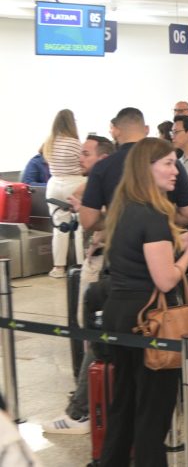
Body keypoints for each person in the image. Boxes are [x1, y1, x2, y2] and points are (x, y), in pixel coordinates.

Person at [100, 138, 188, 466]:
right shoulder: (153, 217)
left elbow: (140, 255)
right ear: (146, 170)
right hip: (151, 321)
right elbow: (164, 279)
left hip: (120, 314)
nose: (175, 170)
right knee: (153, 414)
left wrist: (177, 242)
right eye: (167, 164)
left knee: (124, 404)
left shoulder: (124, 210)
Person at [41, 134, 115, 436]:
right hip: (102, 264)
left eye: (86, 153)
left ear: (103, 157)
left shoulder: (114, 180)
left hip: (112, 270)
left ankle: (81, 411)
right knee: (94, 339)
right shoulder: (104, 180)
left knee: (95, 338)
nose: (80, 158)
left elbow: (112, 221)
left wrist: (95, 220)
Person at [79, 107, 188, 233]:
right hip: (163, 239)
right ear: (146, 129)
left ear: (116, 131)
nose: (173, 171)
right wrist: (161, 217)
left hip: (121, 242)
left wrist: (117, 220)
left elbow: (88, 220)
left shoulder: (102, 167)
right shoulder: (167, 161)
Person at [42, 109, 85, 278]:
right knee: (81, 226)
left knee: (59, 227)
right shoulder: (74, 143)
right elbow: (83, 164)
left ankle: (58, 268)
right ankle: (81, 266)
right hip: (74, 183)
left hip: (53, 185)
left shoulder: (49, 142)